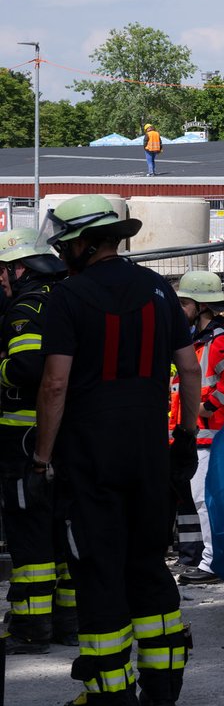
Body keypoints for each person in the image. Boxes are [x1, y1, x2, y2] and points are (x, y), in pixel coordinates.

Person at [33, 195, 201, 706]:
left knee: (100, 570)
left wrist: (41, 457)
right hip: (150, 452)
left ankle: (111, 697)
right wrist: (187, 435)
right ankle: (162, 689)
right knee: (149, 563)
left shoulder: (67, 297)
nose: (62, 256)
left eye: (66, 246)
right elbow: (190, 370)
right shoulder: (157, 290)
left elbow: (55, 382)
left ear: (83, 244)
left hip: (90, 457)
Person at [0, 229, 78, 655]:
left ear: (20, 268)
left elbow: (28, 367)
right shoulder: (68, 298)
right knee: (62, 526)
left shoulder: (27, 305)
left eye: (4, 270)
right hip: (68, 433)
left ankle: (32, 627)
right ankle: (68, 620)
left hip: (24, 435)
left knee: (29, 530)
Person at [167, 271, 224, 584]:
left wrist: (209, 406)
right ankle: (211, 560)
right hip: (200, 434)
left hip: (210, 434)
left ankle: (212, 564)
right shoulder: (202, 340)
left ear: (200, 306)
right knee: (202, 499)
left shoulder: (218, 339)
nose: (180, 309)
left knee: (204, 500)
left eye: (184, 303)